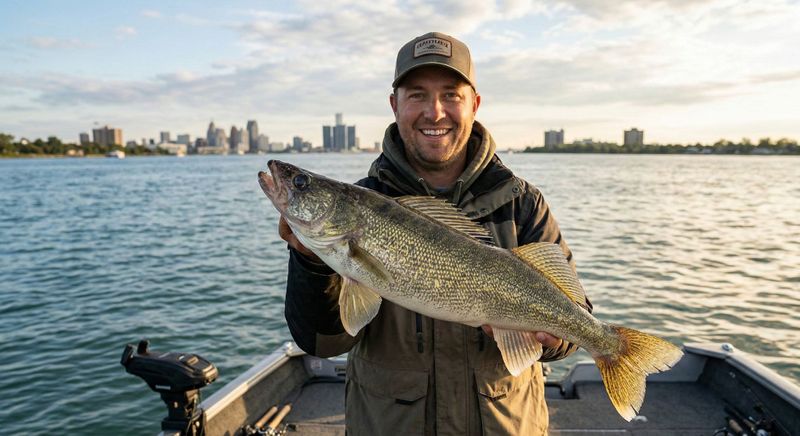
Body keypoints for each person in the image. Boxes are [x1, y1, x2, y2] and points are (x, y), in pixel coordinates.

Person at [279, 31, 592, 435]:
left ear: (474, 105)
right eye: (417, 95)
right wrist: (311, 262)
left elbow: (575, 326)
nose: (435, 112)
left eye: (451, 94)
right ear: (395, 105)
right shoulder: (364, 204)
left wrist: (552, 337)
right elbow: (322, 346)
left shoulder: (522, 204)